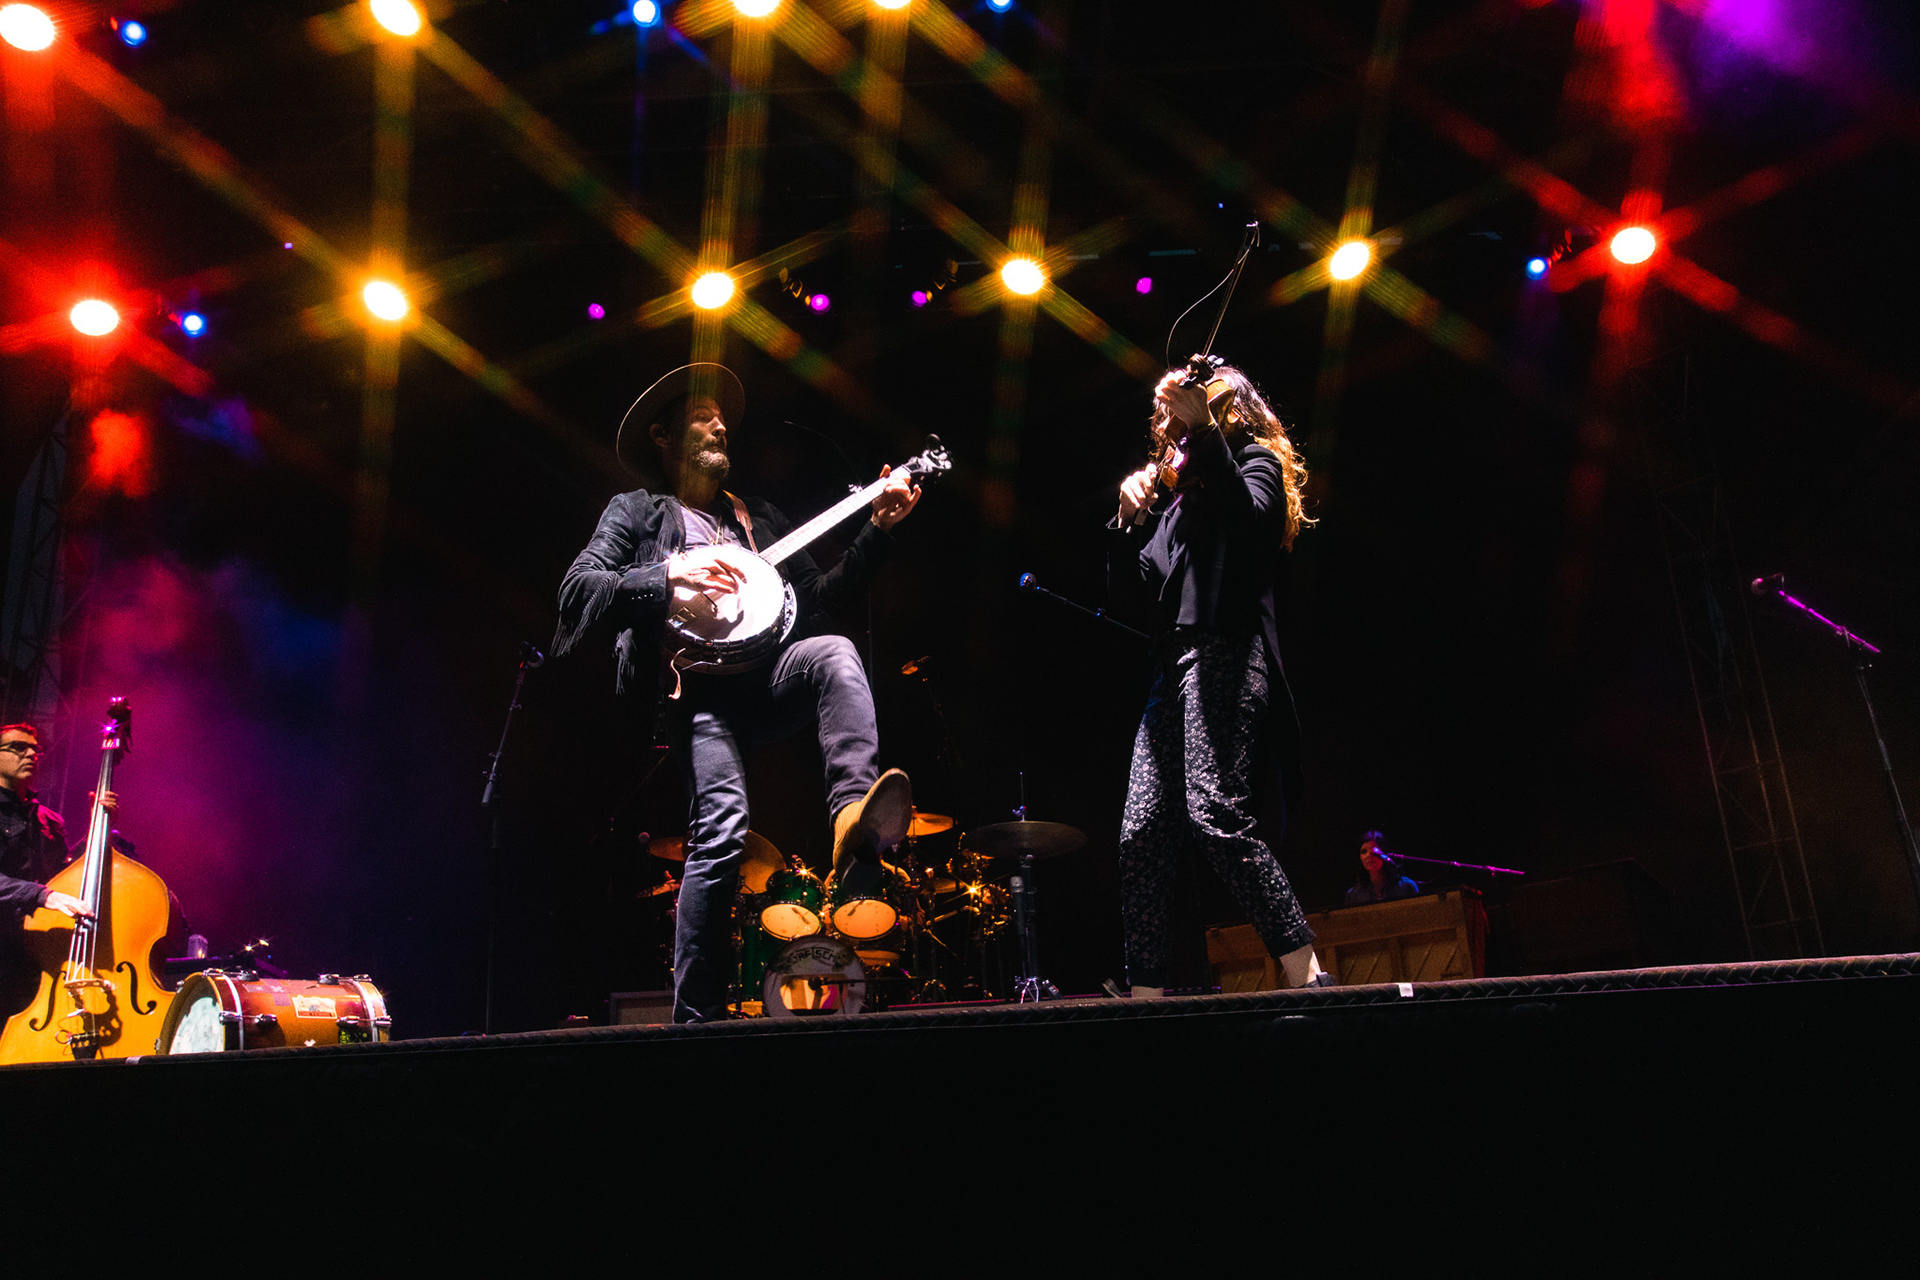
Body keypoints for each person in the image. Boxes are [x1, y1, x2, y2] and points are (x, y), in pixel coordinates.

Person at [556, 363, 922, 1023]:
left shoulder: (759, 519)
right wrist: (668, 574)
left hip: (767, 681)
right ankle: (696, 1020)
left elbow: (821, 599)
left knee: (834, 652)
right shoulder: (636, 511)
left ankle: (851, 820)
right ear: (664, 436)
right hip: (696, 694)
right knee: (722, 831)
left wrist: (879, 529)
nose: (720, 425)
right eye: (703, 416)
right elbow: (579, 590)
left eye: (722, 418)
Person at [1108, 360, 1327, 996]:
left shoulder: (1255, 462)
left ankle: (1305, 969)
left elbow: (1253, 525)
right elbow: (1141, 589)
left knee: (1215, 815)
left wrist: (1206, 435)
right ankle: (1146, 992)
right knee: (1142, 832)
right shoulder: (1180, 500)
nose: (1178, 430)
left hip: (1227, 650)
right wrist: (1130, 520)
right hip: (1172, 668)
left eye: (1199, 414)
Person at [0, 723, 112, 1014]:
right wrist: (42, 895)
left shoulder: (49, 819)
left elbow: (64, 879)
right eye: (18, 747)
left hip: (34, 953)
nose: (31, 754)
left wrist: (98, 826)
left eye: (35, 749)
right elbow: (46, 892)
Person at [1345, 830, 1422, 905]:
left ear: (1384, 853)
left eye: (1374, 851)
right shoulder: (1353, 895)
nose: (1368, 855)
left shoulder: (1407, 886)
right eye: (1364, 852)